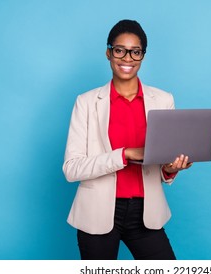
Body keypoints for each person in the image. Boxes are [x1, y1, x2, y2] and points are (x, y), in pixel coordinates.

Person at [62, 19, 192, 260]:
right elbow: (72, 169)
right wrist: (126, 154)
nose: (127, 58)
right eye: (120, 50)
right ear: (109, 52)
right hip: (96, 214)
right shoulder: (86, 102)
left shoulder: (163, 100)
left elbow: (161, 163)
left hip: (146, 214)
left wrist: (170, 169)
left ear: (143, 55)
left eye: (136, 52)